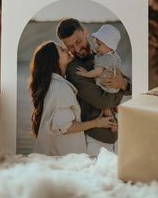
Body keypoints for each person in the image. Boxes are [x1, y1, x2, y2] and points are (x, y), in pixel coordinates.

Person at [56, 18, 131, 156]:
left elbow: (130, 86)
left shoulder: (103, 56)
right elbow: (103, 101)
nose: (77, 49)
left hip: (116, 134)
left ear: (85, 32)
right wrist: (121, 86)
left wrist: (123, 84)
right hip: (95, 140)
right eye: (70, 47)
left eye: (78, 41)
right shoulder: (74, 70)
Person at [29, 41, 113, 156]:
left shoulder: (53, 84)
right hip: (63, 155)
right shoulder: (60, 87)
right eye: (62, 50)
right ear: (54, 59)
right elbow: (67, 127)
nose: (68, 51)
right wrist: (97, 123)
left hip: (58, 152)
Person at [76, 24, 122, 132]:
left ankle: (113, 124)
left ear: (109, 46)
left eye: (99, 44)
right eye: (96, 43)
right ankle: (117, 115)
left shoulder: (105, 59)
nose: (96, 47)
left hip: (107, 86)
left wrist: (86, 74)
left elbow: (97, 72)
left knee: (105, 107)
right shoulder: (112, 55)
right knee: (113, 105)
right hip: (113, 87)